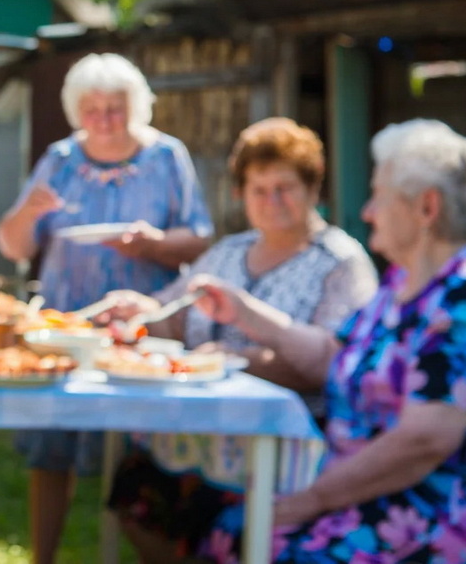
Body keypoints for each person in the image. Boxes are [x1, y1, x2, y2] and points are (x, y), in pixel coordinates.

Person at [191, 119, 466, 563]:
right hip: (372, 495)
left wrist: (313, 499)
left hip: (447, 513)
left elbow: (424, 442)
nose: (368, 211)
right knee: (225, 525)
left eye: (379, 196)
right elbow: (331, 355)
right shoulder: (399, 285)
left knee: (256, 543)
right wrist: (245, 312)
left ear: (426, 208)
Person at [101, 117, 379, 561]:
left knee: (233, 533)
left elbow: (336, 362)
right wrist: (139, 311)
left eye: (285, 188)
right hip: (199, 432)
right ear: (241, 193)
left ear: (313, 189)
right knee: (138, 494)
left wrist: (240, 358)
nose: (272, 201)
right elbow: (172, 318)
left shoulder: (341, 262)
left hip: (287, 443)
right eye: (259, 190)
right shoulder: (229, 252)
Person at [0, 53, 214, 563]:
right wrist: (28, 211)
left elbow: (199, 237)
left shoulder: (167, 157)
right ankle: (43, 558)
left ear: (137, 106)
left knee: (143, 454)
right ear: (76, 111)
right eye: (92, 109)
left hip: (141, 330)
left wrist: (155, 244)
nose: (105, 120)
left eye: (116, 107)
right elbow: (13, 243)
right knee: (53, 449)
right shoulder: (60, 160)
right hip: (66, 329)